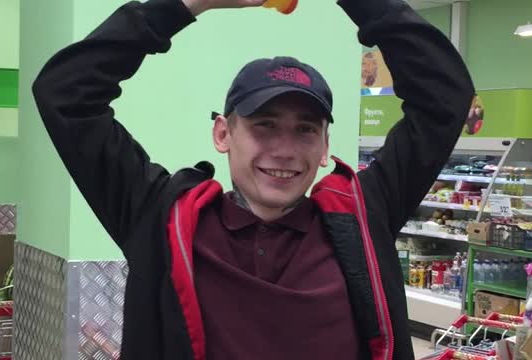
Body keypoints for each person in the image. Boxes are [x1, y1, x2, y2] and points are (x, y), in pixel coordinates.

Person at [32, 0, 475, 358]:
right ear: (223, 134)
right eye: (264, 124)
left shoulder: (362, 219)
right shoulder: (162, 220)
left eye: (305, 129)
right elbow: (65, 92)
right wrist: (187, 5)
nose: (284, 149)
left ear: (325, 147)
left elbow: (443, 96)